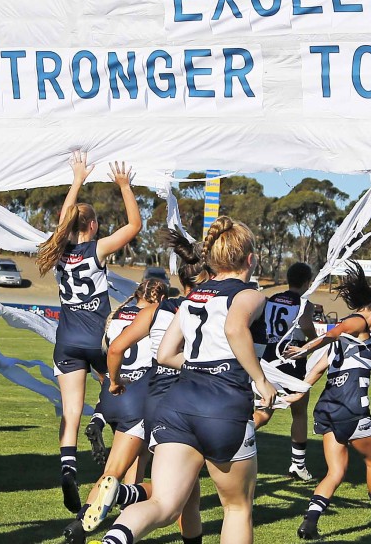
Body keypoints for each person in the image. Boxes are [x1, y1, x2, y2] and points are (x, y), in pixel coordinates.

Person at [92, 217, 274, 544]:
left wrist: (201, 366)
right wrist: (261, 381)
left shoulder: (193, 297)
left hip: (178, 406)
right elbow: (234, 327)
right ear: (250, 260)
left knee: (163, 504)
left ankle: (114, 539)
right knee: (236, 508)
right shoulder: (251, 294)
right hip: (223, 406)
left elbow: (164, 354)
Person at [35, 152, 141, 513]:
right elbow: (134, 227)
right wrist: (125, 187)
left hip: (66, 340)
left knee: (70, 411)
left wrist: (77, 178)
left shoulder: (59, 251)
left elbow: (65, 220)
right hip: (98, 338)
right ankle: (106, 430)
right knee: (117, 389)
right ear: (93, 226)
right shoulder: (97, 250)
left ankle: (68, 468)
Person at [281, 261, 371, 540]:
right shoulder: (360, 323)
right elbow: (337, 330)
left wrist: (297, 392)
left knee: (336, 471)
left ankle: (310, 523)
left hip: (327, 408)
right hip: (351, 408)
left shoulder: (345, 340)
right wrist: (304, 348)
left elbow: (317, 370)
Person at [68, 277, 171, 541]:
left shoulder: (117, 315)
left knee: (117, 470)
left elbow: (106, 355)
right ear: (159, 299)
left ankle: (88, 527)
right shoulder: (155, 316)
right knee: (119, 475)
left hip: (113, 393)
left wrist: (112, 383)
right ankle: (86, 526)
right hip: (138, 396)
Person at [255, 262, 323, 481]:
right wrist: (314, 343)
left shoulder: (271, 299)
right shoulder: (305, 303)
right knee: (299, 411)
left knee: (264, 410)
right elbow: (304, 324)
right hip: (292, 358)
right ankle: (298, 464)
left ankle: (231, 445)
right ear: (307, 282)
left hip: (268, 358)